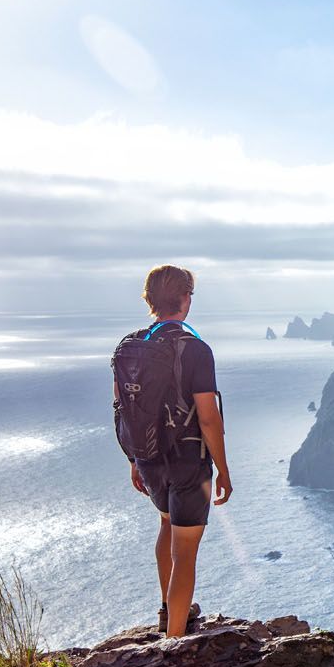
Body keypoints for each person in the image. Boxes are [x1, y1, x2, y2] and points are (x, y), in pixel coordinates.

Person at [120, 265, 233, 638]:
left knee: (167, 526)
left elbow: (123, 410)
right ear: (184, 300)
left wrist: (136, 459)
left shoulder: (129, 349)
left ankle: (168, 610)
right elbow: (208, 418)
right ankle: (175, 641)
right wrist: (223, 471)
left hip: (150, 462)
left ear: (150, 301)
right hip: (188, 465)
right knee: (185, 551)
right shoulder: (196, 350)